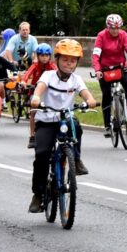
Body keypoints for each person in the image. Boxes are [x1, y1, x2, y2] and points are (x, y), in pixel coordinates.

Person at [28, 39, 98, 212]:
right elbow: (40, 88)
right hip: (47, 120)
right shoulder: (48, 76)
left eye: (73, 60)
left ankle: (76, 158)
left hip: (65, 119)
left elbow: (85, 93)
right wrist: (36, 98)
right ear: (57, 60)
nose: (69, 63)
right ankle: (38, 194)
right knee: (42, 154)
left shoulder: (76, 79)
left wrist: (89, 100)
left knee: (77, 126)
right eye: (65, 59)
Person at [92, 14, 127, 138]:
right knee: (106, 94)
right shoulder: (101, 36)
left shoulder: (123, 35)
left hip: (120, 67)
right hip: (105, 69)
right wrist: (97, 70)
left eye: (118, 28)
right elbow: (96, 55)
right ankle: (107, 125)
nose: (115, 31)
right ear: (108, 27)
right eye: (113, 28)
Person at [20, 43, 57, 148]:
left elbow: (58, 75)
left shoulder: (52, 66)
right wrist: (23, 82)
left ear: (50, 56)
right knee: (33, 113)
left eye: (46, 55)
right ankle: (32, 136)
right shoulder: (35, 65)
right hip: (35, 92)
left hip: (48, 93)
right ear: (38, 56)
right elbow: (27, 75)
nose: (44, 58)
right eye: (42, 55)